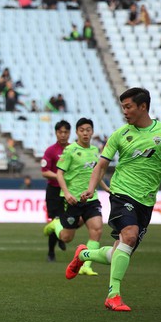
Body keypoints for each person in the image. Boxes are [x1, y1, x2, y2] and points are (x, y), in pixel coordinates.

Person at [67, 88, 161, 312]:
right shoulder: (120, 134)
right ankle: (113, 295)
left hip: (147, 201)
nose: (124, 111)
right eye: (123, 107)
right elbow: (101, 164)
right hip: (122, 194)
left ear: (143, 107)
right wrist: (90, 188)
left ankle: (84, 254)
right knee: (129, 236)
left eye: (128, 106)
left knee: (119, 251)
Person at [44, 118, 110, 276]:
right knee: (67, 238)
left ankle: (86, 265)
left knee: (97, 230)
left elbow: (96, 174)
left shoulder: (95, 151)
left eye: (88, 130)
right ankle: (55, 224)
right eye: (82, 130)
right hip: (73, 199)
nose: (85, 133)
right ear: (77, 132)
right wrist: (66, 193)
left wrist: (107, 188)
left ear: (92, 132)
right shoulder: (70, 150)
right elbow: (59, 173)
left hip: (91, 198)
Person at [41, 120, 71, 262]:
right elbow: (44, 172)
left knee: (67, 220)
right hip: (54, 191)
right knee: (55, 221)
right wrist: (60, 177)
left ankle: (62, 237)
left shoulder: (74, 150)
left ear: (70, 133)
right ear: (56, 133)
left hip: (69, 191)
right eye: (60, 132)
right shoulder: (51, 151)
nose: (63, 135)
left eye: (66, 132)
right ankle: (51, 252)